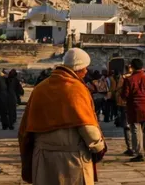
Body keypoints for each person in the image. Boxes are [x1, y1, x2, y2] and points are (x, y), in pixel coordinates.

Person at [18, 48, 106, 185]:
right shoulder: (75, 89)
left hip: (43, 159)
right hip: (71, 161)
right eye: (85, 67)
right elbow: (86, 125)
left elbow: (25, 129)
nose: (87, 71)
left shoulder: (40, 88)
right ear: (78, 68)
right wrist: (99, 147)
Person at [118, 58, 145, 162]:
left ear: (132, 67)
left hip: (134, 107)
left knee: (135, 129)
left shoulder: (129, 80)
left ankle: (139, 152)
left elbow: (125, 95)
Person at [113, 64, 132, 154]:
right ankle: (140, 147)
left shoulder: (123, 78)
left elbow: (119, 91)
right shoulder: (144, 77)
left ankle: (130, 147)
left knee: (127, 126)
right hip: (139, 104)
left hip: (125, 104)